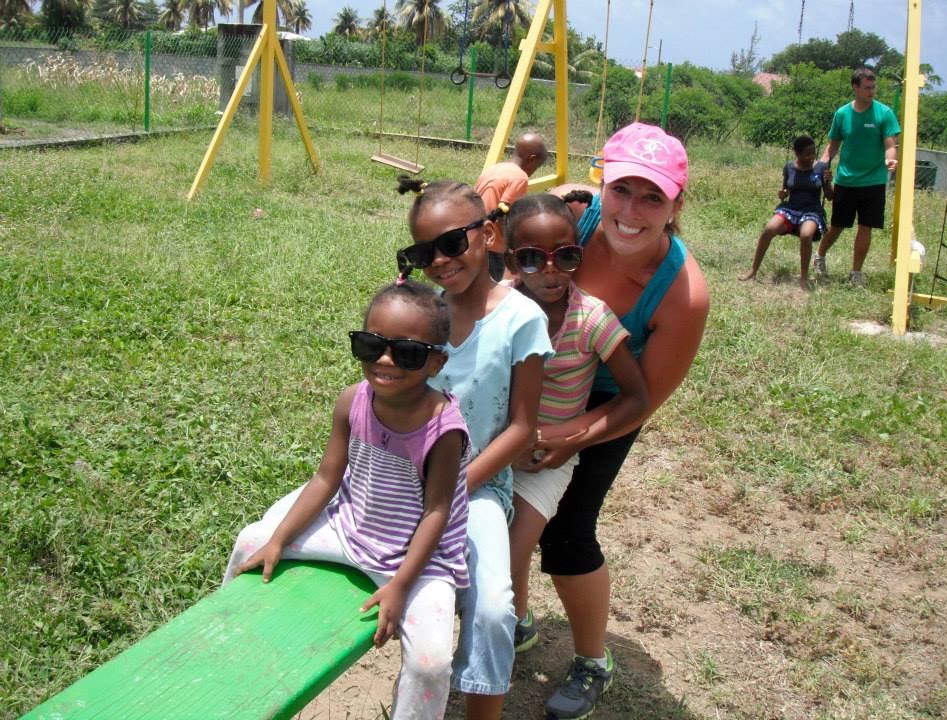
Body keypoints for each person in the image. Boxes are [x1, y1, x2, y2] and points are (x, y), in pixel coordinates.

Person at [223, 280, 470, 720]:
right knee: (251, 541)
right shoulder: (351, 401)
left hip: (417, 559)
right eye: (371, 344)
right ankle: (228, 645)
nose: (386, 360)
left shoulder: (444, 430)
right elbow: (326, 478)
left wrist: (399, 585)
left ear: (437, 362)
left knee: (431, 663)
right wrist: (279, 540)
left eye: (407, 353)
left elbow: (437, 512)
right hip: (350, 527)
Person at [543, 122, 709, 720]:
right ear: (602, 186)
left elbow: (643, 401)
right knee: (499, 504)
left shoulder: (681, 294)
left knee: (565, 533)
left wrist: (571, 438)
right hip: (540, 375)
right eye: (622, 190)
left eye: (652, 198)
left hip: (609, 402)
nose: (631, 211)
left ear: (675, 207)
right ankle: (509, 622)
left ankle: (593, 660)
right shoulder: (571, 220)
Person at [395, 176, 553, 720]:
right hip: (408, 480)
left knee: (491, 610)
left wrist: (454, 490)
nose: (439, 260)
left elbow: (521, 428)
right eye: (423, 252)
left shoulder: (522, 319)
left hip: (477, 490)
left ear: (488, 233)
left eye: (452, 243)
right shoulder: (424, 318)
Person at [499, 193, 650, 656]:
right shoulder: (496, 309)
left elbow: (637, 396)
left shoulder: (591, 318)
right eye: (530, 258)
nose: (549, 270)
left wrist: (571, 441)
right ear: (510, 260)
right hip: (495, 450)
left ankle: (506, 629)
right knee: (487, 544)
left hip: (547, 460)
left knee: (510, 550)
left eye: (564, 256)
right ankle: (518, 619)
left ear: (577, 255)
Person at [812, 67, 900, 287]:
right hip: (846, 179)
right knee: (838, 225)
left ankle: (856, 273)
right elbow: (833, 146)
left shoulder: (884, 113)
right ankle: (820, 255)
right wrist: (821, 164)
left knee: (865, 227)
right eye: (867, 88)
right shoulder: (842, 114)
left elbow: (890, 145)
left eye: (873, 87)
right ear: (856, 88)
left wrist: (891, 159)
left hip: (874, 180)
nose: (872, 91)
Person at [739, 135, 835, 287]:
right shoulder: (789, 167)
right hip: (792, 208)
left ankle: (803, 277)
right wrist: (782, 194)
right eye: (807, 154)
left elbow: (830, 197)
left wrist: (829, 182)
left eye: (813, 152)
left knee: (806, 235)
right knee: (768, 230)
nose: (812, 157)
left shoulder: (821, 168)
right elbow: (785, 190)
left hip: (811, 210)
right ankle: (753, 270)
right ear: (797, 154)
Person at [474, 132, 549, 281]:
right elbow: (504, 215)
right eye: (536, 167)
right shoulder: (520, 177)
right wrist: (511, 247)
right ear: (531, 159)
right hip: (494, 245)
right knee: (495, 288)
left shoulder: (494, 169)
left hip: (476, 239)